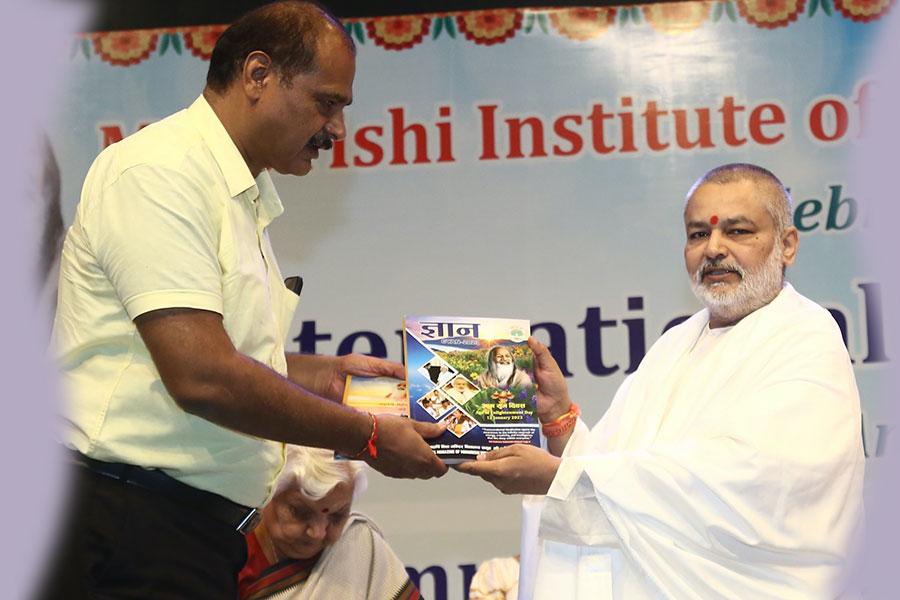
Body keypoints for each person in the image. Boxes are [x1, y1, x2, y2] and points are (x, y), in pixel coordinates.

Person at [46, 3, 446, 598]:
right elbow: (201, 375)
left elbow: (222, 356)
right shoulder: (160, 171)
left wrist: (328, 378)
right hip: (115, 519)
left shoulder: (236, 194)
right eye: (327, 102)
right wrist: (364, 434)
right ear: (258, 75)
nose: (337, 129)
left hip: (177, 529)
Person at [458, 164, 864, 598]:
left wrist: (561, 479)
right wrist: (560, 421)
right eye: (696, 235)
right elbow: (616, 465)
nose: (714, 249)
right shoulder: (676, 344)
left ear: (786, 245)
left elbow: (756, 484)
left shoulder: (806, 337)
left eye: (739, 231)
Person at [238, 445, 419, 599]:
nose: (318, 532)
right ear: (268, 494)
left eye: (337, 516)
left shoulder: (359, 546)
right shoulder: (230, 550)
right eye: (301, 512)